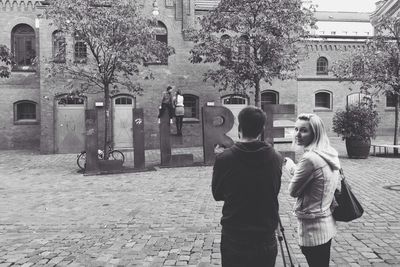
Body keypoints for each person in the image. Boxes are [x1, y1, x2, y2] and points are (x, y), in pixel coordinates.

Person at [212, 106, 283, 267]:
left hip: (235, 236)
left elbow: (217, 194)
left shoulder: (225, 158)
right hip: (264, 235)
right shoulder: (276, 158)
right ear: (261, 129)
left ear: (240, 128)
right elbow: (274, 190)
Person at [284, 113, 341, 267]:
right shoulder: (329, 153)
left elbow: (293, 191)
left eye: (303, 130)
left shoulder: (309, 159)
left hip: (312, 228)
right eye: (296, 129)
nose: (297, 134)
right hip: (326, 224)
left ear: (315, 133)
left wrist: (290, 168)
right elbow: (316, 178)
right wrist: (293, 167)